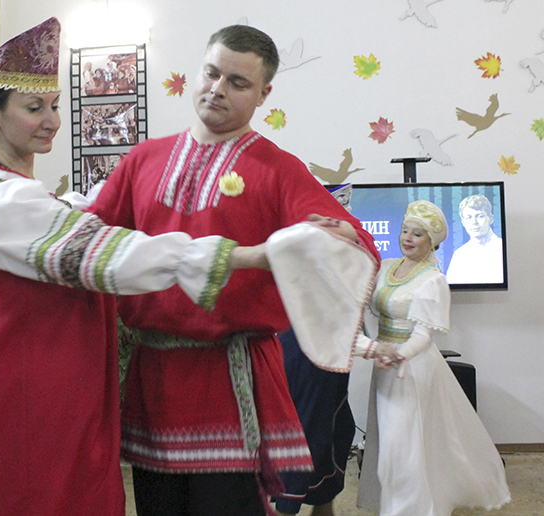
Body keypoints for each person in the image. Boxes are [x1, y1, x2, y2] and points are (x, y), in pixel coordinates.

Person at [0, 17, 269, 516]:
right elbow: (109, 254)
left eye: (55, 105)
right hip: (24, 408)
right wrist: (249, 255)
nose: (52, 121)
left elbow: (83, 211)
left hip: (59, 399)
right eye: (34, 108)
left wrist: (162, 169)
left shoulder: (33, 201)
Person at [89, 25, 380, 516]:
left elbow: (356, 245)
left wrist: (313, 242)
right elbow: (92, 242)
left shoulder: (278, 169)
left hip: (231, 380)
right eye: (211, 73)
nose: (217, 89)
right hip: (153, 380)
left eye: (238, 83)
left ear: (264, 94)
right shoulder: (143, 159)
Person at [356, 200, 511, 516]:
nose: (407, 238)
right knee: (391, 442)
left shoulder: (433, 280)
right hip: (385, 366)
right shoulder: (387, 267)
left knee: (402, 446)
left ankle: (410, 509)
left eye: (417, 234)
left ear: (433, 242)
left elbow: (423, 336)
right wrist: (373, 346)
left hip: (412, 369)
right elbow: (368, 307)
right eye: (405, 230)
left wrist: (397, 355)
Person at [445, 194, 503, 284]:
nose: (474, 222)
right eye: (469, 217)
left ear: (491, 219)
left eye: (480, 216)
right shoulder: (460, 255)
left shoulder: (503, 248)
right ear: (463, 222)